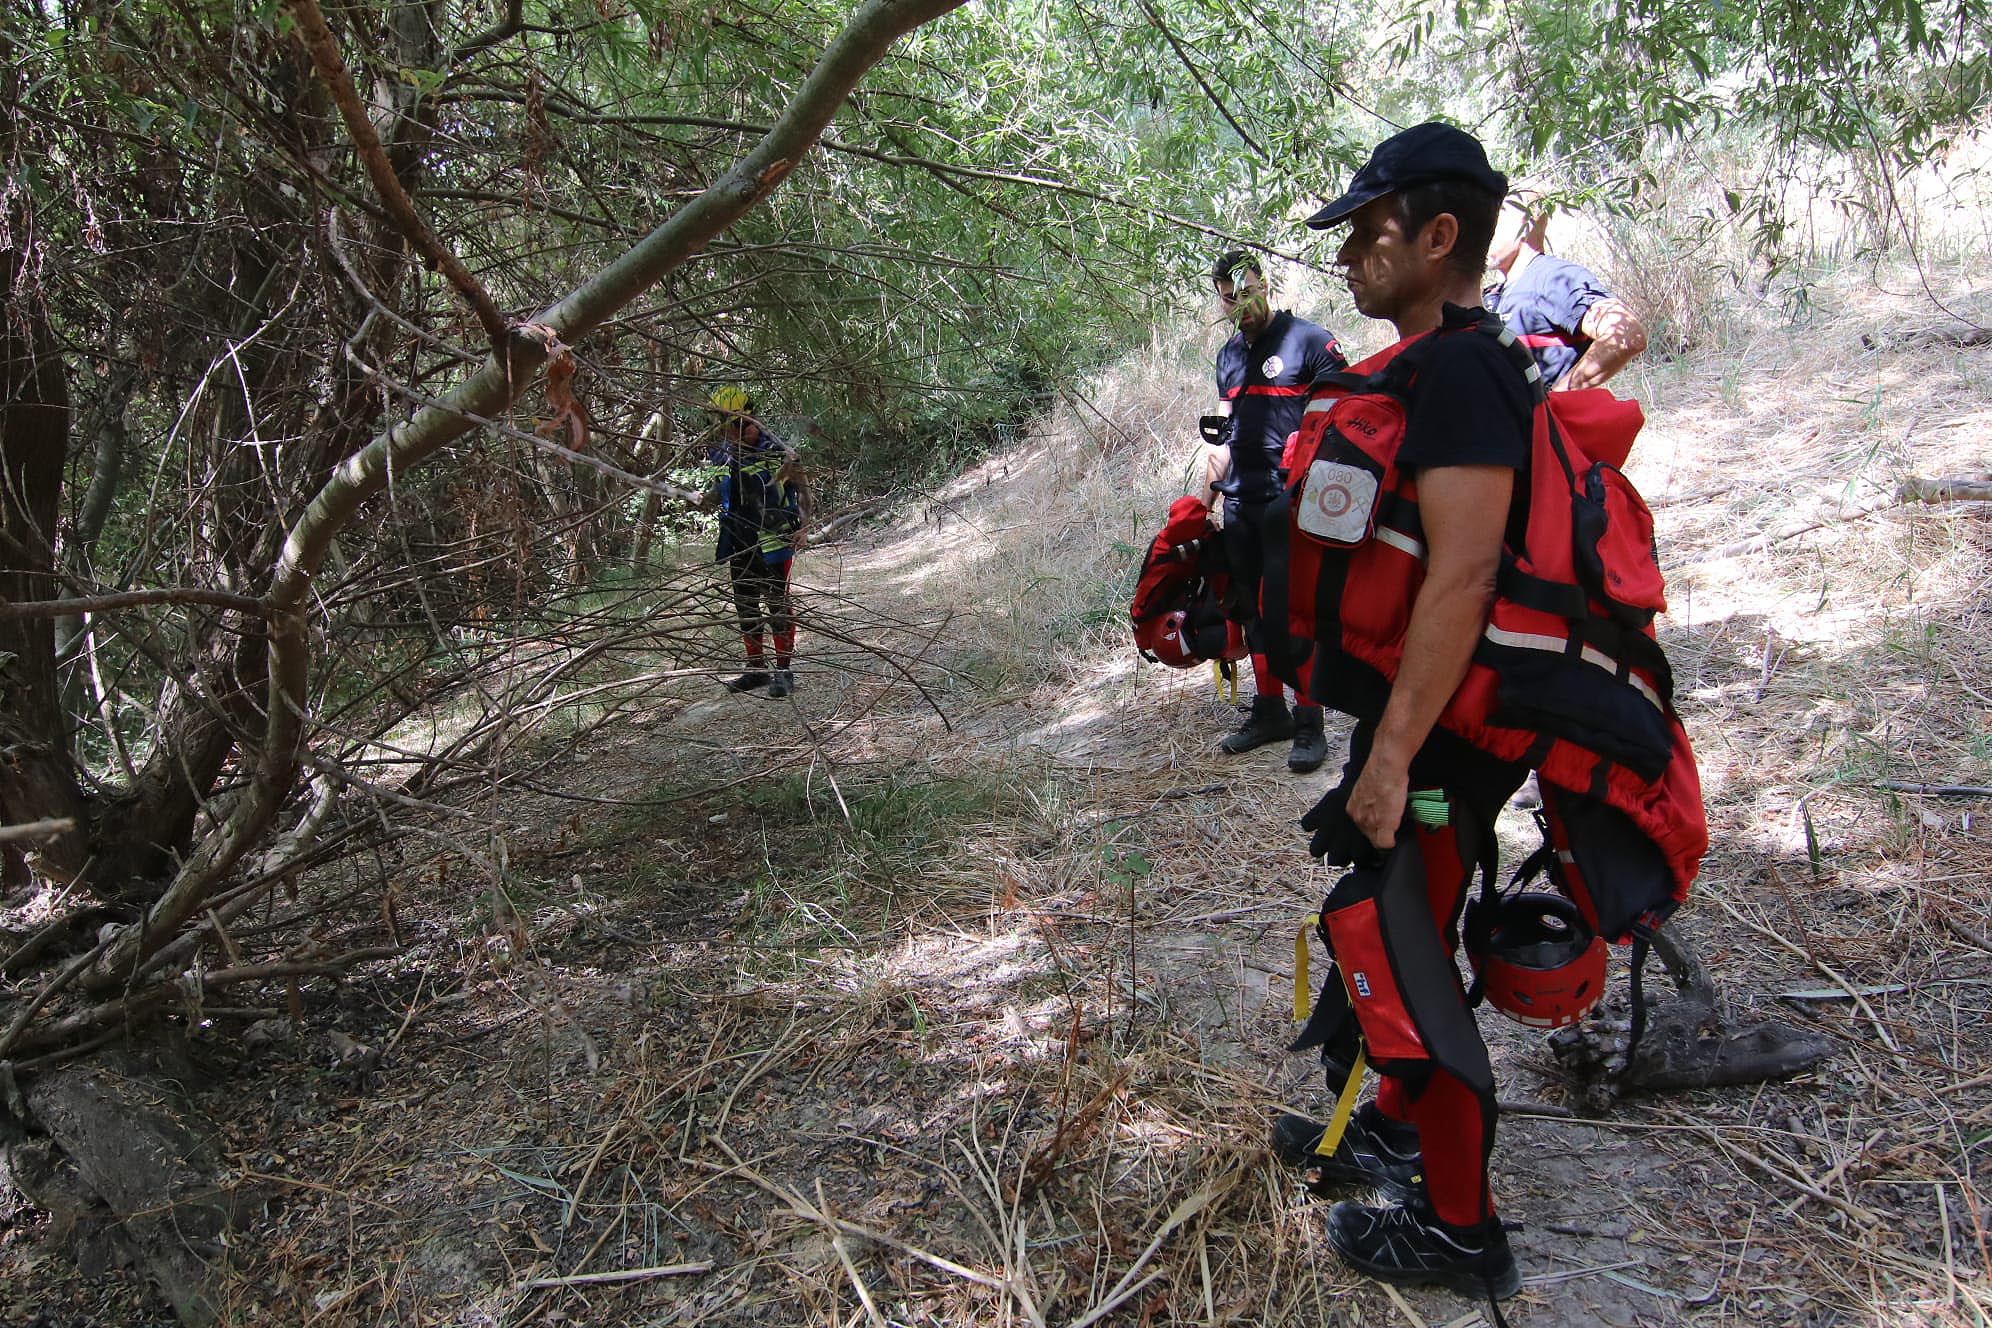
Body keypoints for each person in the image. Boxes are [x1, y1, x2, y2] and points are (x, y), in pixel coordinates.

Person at [1270, 122, 1535, 1301]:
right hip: (1413, 727)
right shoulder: (1425, 367)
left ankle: (1463, 1230)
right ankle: (1388, 1125)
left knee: (1404, 956)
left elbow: (1465, 578)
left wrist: (1390, 759)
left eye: (1368, 234)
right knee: (1390, 920)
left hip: (1441, 738)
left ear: (1440, 237)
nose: (1348, 257)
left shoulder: (1470, 370)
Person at [1207, 251, 1347, 772]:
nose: (1238, 304)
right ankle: (1270, 712)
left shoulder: (1310, 341)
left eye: (1245, 291)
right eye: (1227, 297)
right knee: (1251, 609)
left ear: (1263, 283)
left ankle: (1310, 722)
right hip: (1240, 499)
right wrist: (1204, 503)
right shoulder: (1227, 357)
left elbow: (1350, 419)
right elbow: (1219, 433)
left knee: (1293, 610)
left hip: (1293, 500)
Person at [703, 386, 811, 698]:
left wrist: (804, 527)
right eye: (736, 425)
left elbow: (803, 490)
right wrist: (702, 498)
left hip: (774, 539)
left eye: (747, 423)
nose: (745, 430)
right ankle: (755, 669)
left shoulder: (777, 451)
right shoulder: (720, 454)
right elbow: (720, 491)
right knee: (746, 605)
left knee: (777, 604)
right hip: (737, 539)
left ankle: (784, 671)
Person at [1484, 194, 1647, 391]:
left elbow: (1627, 335)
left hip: (1546, 420)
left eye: (1494, 221)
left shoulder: (1553, 278)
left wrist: (1557, 400)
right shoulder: (1495, 292)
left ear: (1526, 223)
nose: (1484, 231)